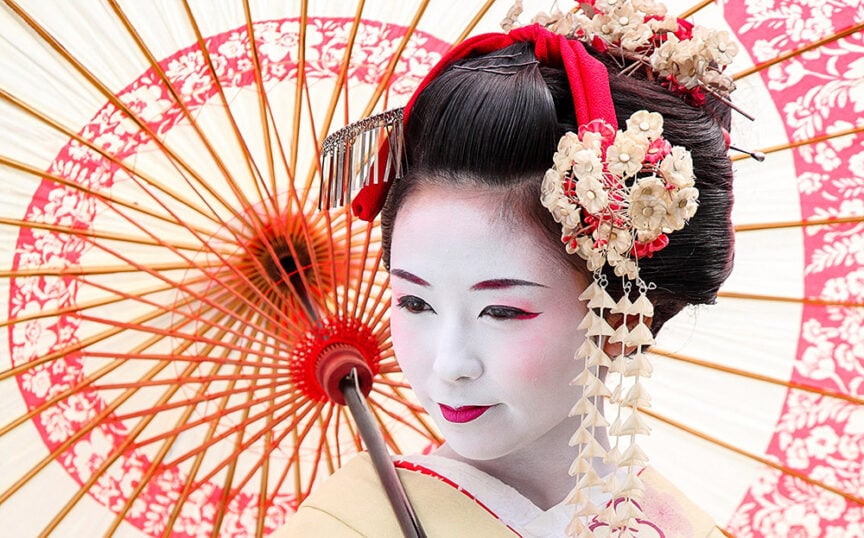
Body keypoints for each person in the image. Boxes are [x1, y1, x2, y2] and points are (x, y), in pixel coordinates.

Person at [277, 1, 736, 536]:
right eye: (414, 302)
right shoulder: (345, 525)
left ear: (621, 317)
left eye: (500, 310)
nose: (449, 366)